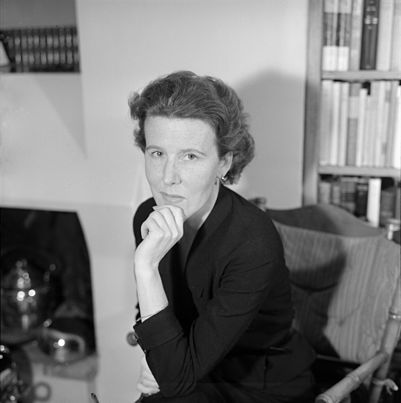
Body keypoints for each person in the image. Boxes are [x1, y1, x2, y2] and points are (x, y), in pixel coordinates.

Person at [129, 71, 315, 403]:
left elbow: (176, 379)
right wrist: (152, 354)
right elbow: (152, 315)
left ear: (223, 163)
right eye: (157, 153)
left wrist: (144, 267)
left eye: (189, 156)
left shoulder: (253, 241)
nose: (168, 178)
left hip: (257, 384)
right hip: (187, 368)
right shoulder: (148, 216)